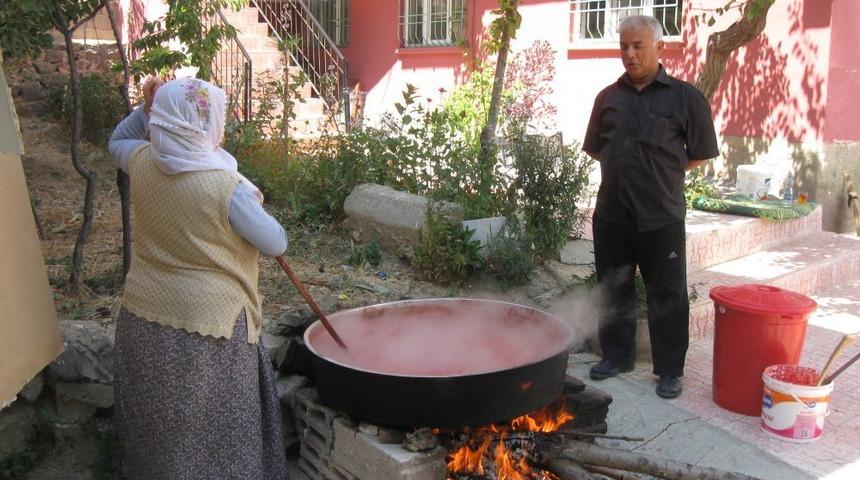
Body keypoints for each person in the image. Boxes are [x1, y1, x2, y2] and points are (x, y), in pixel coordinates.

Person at [108, 76, 289, 479]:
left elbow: (117, 140)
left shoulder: (141, 162)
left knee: (161, 431)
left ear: (162, 121)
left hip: (144, 320)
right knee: (220, 436)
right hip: (211, 331)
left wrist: (144, 110)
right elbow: (276, 242)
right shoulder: (227, 189)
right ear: (210, 126)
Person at [582, 15, 719, 399]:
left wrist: (660, 170)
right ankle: (617, 356)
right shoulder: (607, 99)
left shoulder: (685, 97)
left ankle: (670, 371)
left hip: (661, 217)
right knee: (614, 287)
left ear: (660, 47)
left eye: (637, 45)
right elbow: (597, 149)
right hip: (612, 215)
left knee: (668, 294)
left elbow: (698, 154)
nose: (629, 54)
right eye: (623, 46)